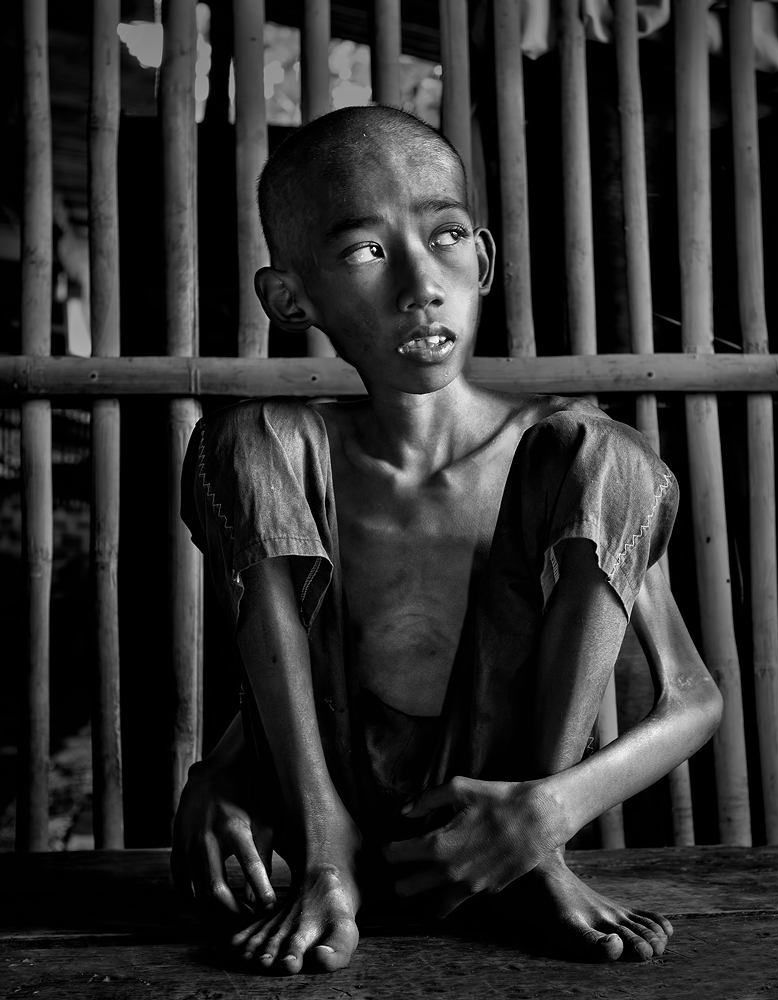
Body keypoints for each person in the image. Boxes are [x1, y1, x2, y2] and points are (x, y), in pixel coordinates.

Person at [171, 104, 723, 976]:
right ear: (290, 299)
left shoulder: (562, 458)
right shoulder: (293, 455)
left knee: (611, 455)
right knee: (240, 437)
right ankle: (326, 855)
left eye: (448, 236)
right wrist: (231, 769)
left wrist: (549, 811)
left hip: (510, 814)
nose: (421, 284)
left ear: (485, 259)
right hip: (331, 809)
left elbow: (692, 699)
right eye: (366, 251)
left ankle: (535, 869)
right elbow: (316, 660)